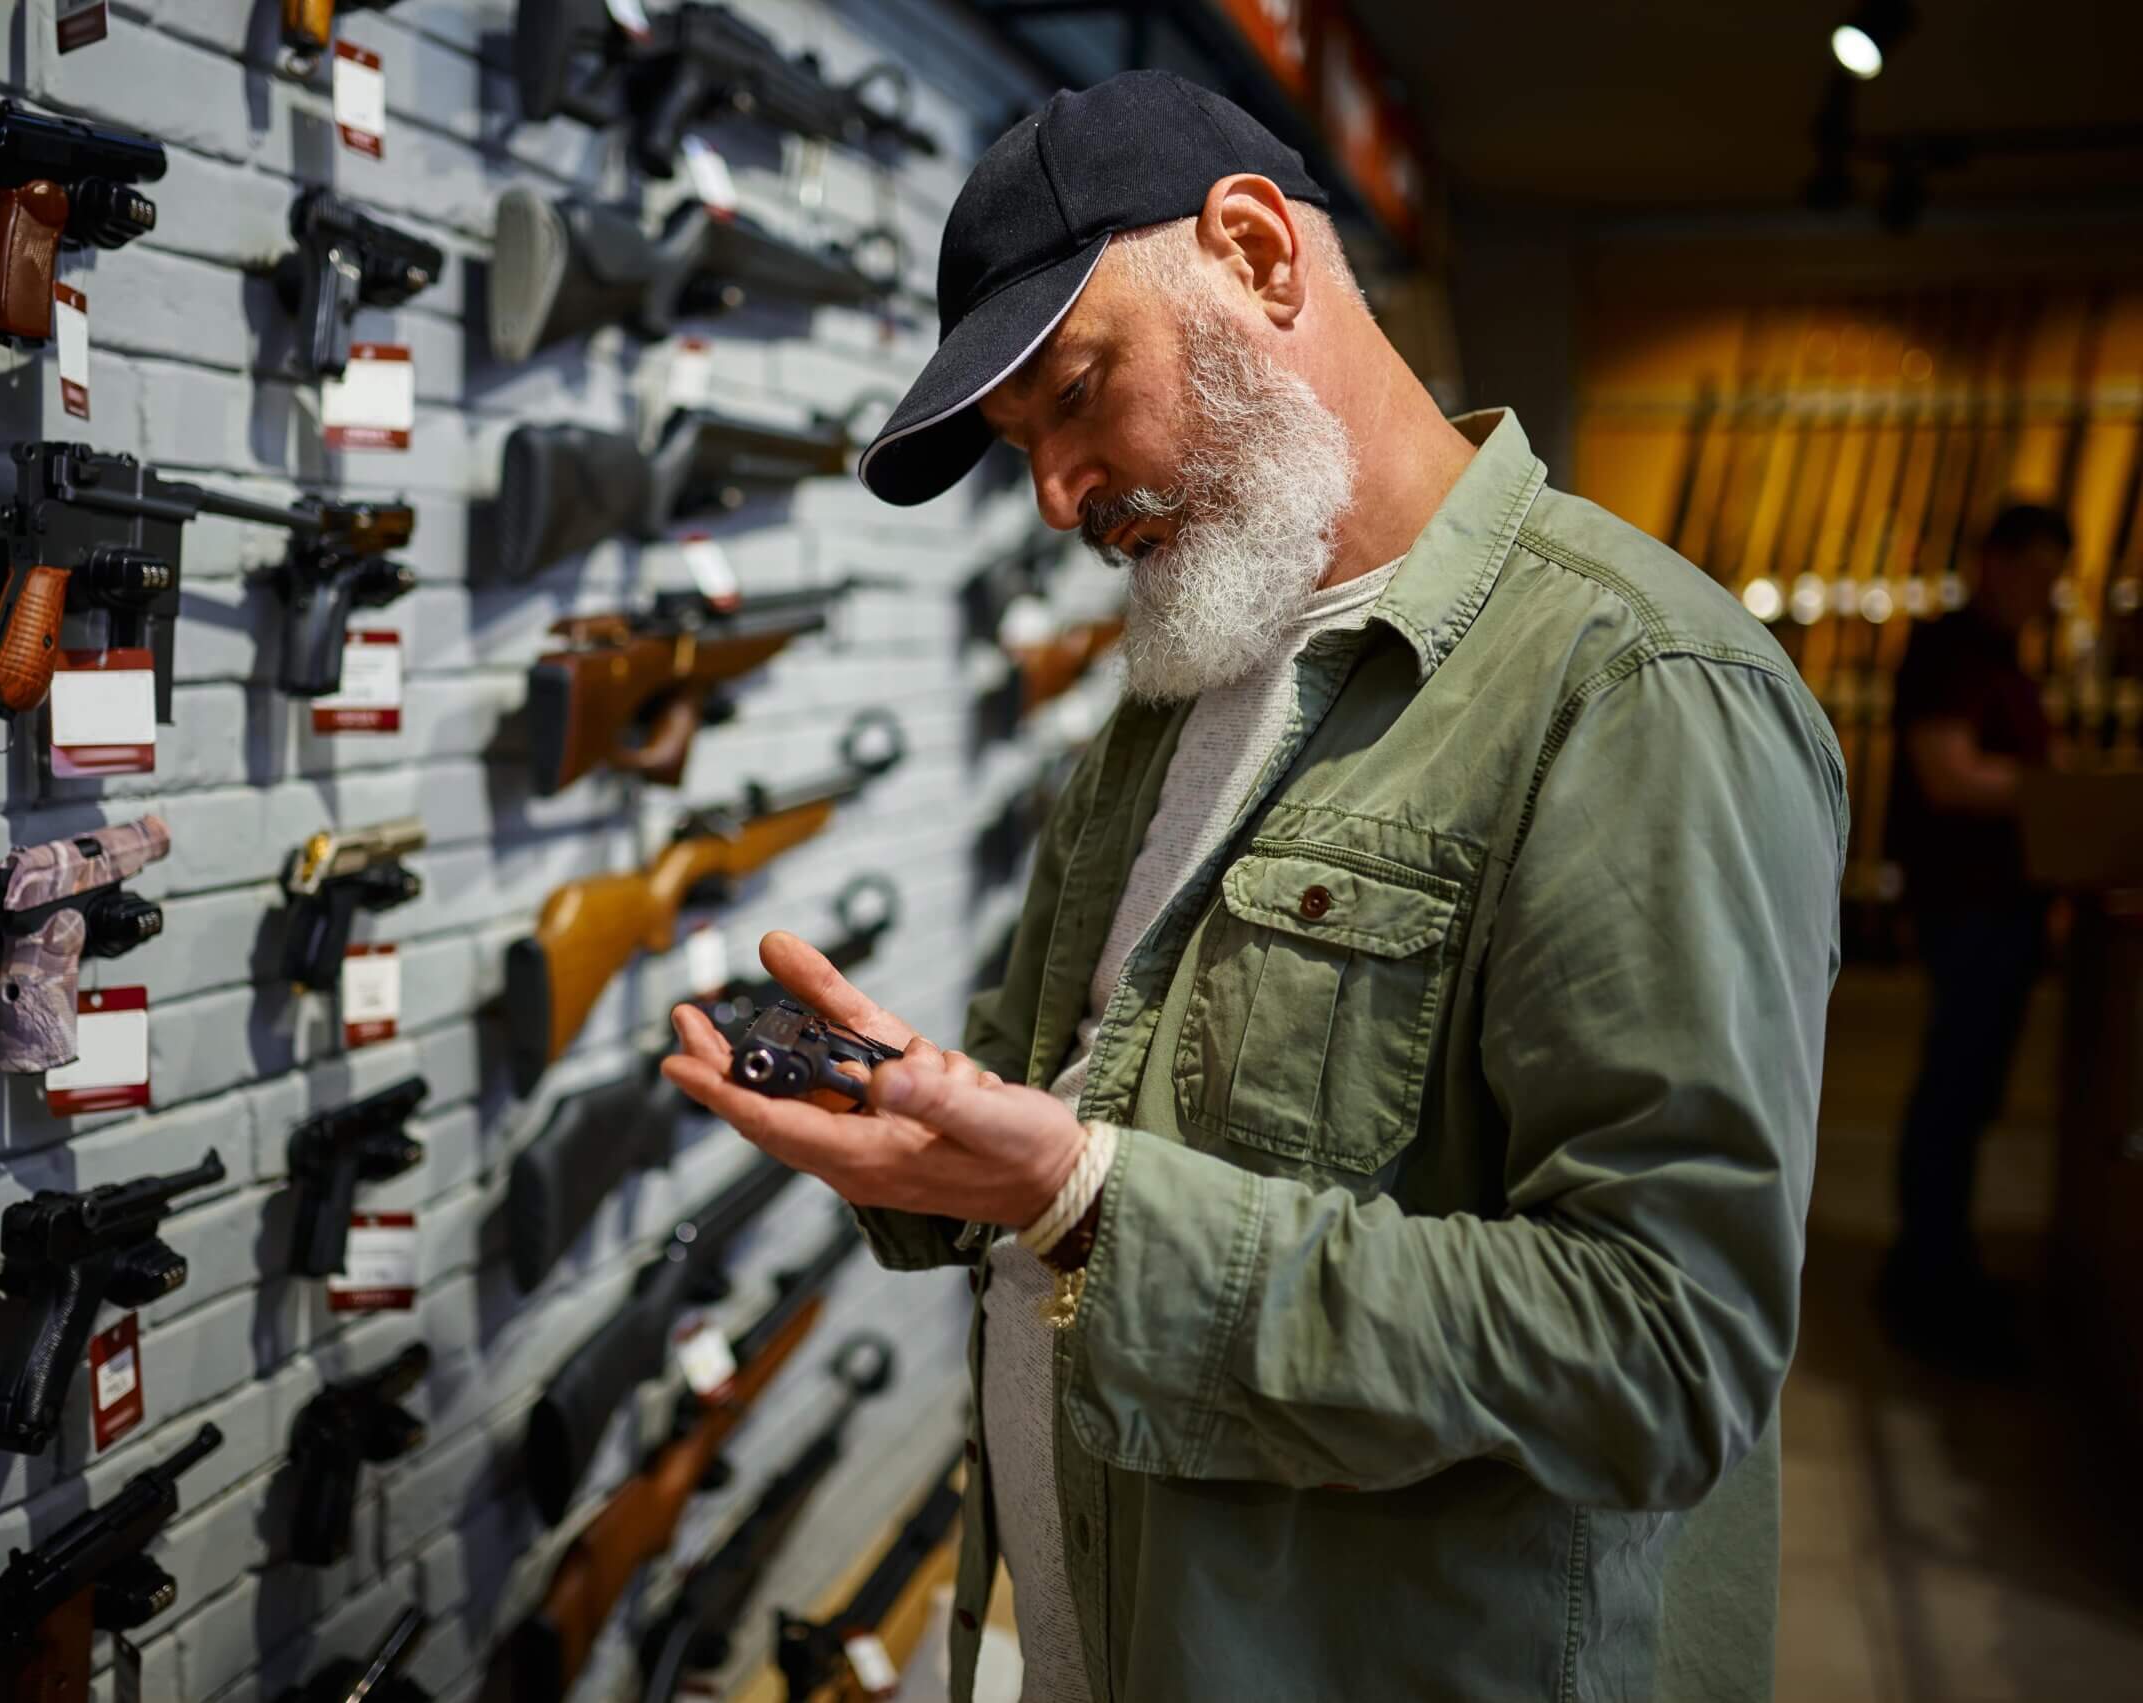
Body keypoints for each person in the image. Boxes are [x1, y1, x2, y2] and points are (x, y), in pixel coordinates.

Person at [663, 71, 1846, 1702]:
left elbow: (1661, 1348)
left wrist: (1086, 1203)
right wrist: (916, 1139)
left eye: (1079, 392)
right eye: (1025, 448)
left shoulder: (1636, 686)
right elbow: (1072, 1111)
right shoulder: (1174, 702)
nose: (1059, 495)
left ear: (1256, 254)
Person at [1879, 502, 2068, 1372]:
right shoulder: (1952, 650)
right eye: (2033, 569)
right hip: (1969, 904)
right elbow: (1948, 775)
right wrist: (2055, 792)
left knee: (1970, 1090)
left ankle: (1940, 1263)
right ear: (1995, 563)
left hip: (2002, 904)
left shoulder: (1998, 655)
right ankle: (1928, 1273)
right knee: (1953, 1091)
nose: (2043, 590)